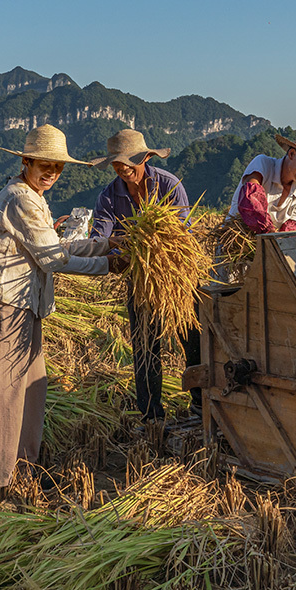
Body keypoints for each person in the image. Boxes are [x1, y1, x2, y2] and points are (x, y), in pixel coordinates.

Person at [0, 124, 121, 496]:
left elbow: (56, 246)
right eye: (44, 165)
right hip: (2, 302)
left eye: (58, 167)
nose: (51, 173)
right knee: (0, 393)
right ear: (27, 161)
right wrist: (109, 265)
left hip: (24, 304)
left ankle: (20, 471)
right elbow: (54, 259)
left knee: (32, 386)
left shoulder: (34, 197)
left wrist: (108, 245)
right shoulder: (21, 198)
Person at [90, 129, 201, 420]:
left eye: (129, 160)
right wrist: (116, 252)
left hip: (177, 278)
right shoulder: (109, 197)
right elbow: (99, 239)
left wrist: (152, 246)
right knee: (145, 347)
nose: (122, 167)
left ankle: (202, 405)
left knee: (192, 341)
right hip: (140, 280)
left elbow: (181, 234)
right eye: (116, 162)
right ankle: (151, 415)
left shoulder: (168, 184)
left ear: (145, 157)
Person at [225, 131, 296, 234]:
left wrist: (281, 243)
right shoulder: (263, 165)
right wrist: (270, 232)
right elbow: (251, 200)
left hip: (269, 249)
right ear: (292, 154)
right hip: (236, 241)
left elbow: (290, 230)